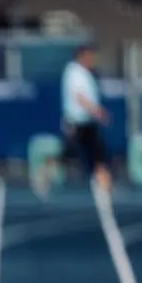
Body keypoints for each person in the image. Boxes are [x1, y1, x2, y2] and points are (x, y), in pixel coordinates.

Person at [36, 42, 112, 195]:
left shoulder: (85, 72)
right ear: (82, 56)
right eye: (90, 56)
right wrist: (98, 111)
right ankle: (44, 171)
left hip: (87, 122)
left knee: (98, 153)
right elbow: (80, 98)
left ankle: (103, 185)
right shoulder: (74, 72)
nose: (93, 59)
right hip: (76, 122)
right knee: (68, 155)